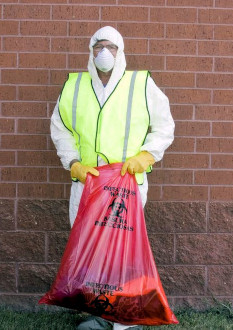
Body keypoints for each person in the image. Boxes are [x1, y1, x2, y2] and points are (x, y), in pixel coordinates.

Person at [50, 26, 175, 330]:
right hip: (88, 185)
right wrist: (73, 162)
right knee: (93, 254)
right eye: (98, 46)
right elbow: (60, 127)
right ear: (90, 52)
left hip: (125, 187)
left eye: (111, 47)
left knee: (122, 255)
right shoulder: (75, 85)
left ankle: (124, 324)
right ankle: (104, 316)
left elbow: (164, 126)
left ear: (121, 52)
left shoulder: (140, 83)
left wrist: (146, 156)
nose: (104, 52)